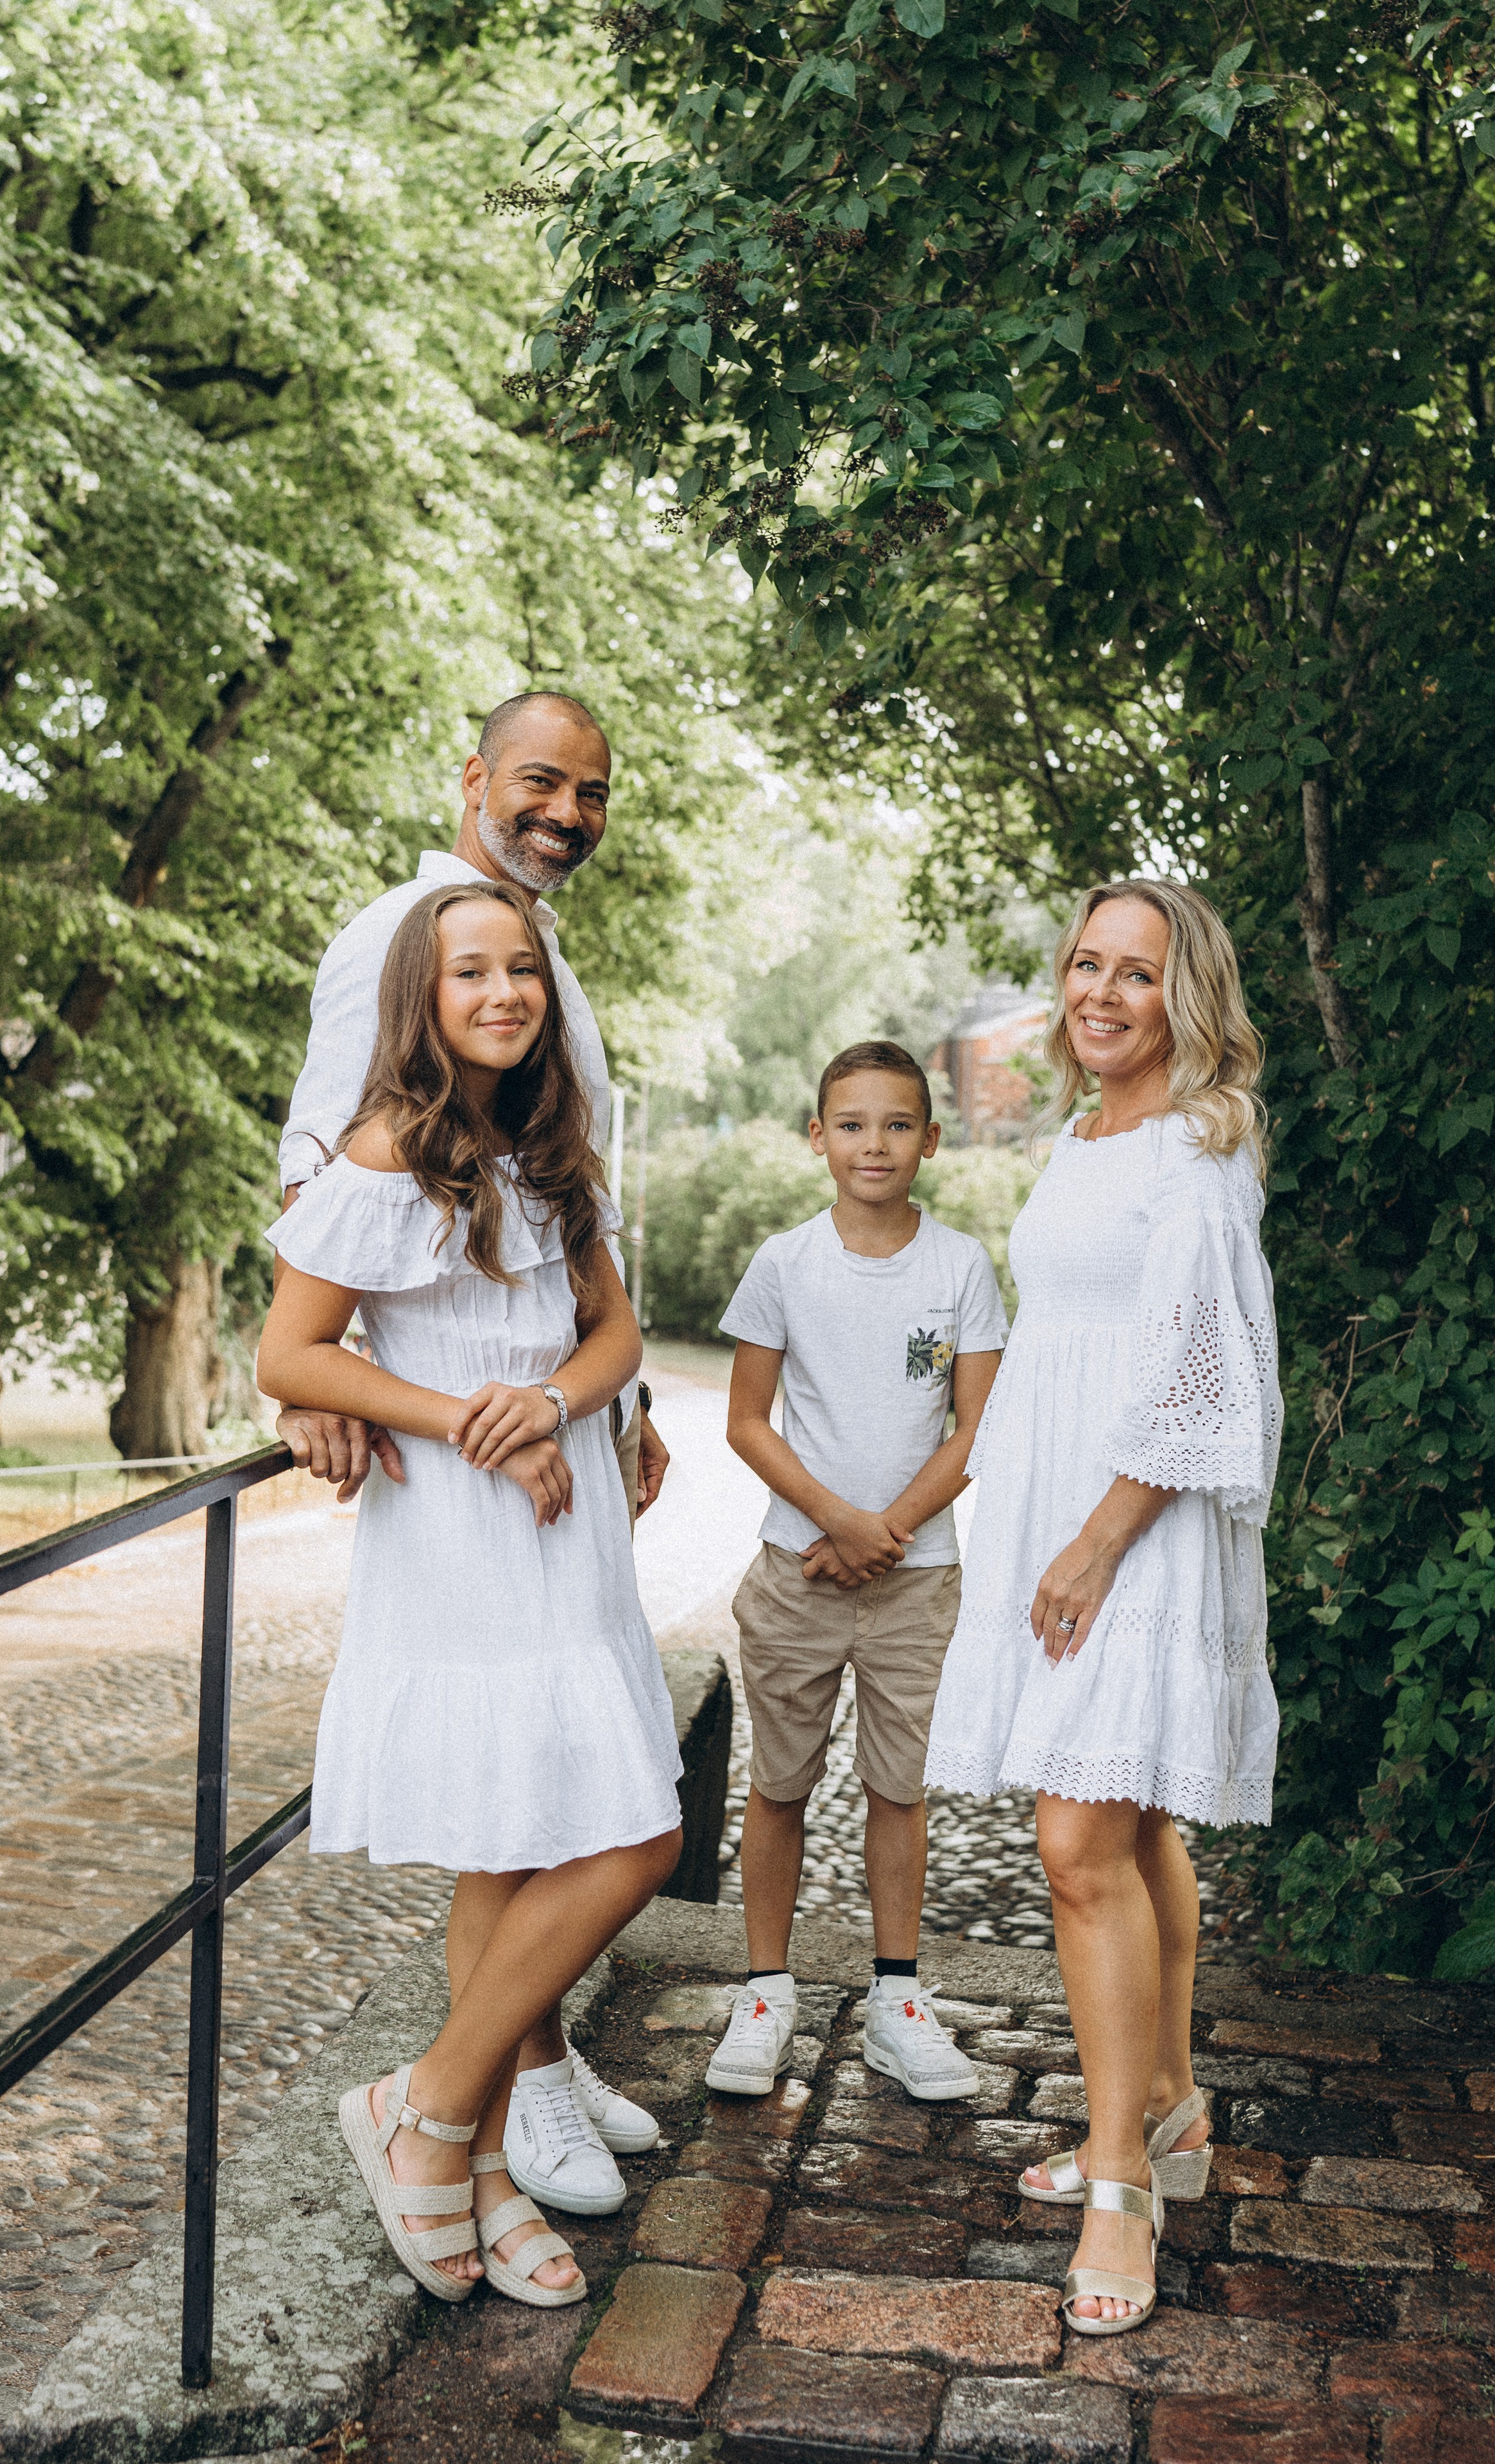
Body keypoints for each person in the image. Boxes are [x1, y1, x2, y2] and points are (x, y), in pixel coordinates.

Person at [257, 878, 684, 2306]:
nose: (503, 992)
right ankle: (451, 2131)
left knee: (543, 1845)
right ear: (421, 1001)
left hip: (568, 1529)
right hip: (454, 1530)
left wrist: (551, 1402)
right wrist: (470, 1424)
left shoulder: (549, 1147)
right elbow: (294, 1355)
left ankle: (451, 2134)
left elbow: (615, 1331)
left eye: (521, 971)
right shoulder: (387, 1152)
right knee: (606, 1838)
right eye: (469, 974)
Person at [924, 880, 1282, 2339]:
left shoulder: (1195, 1152)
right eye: (1084, 966)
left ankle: (1118, 2177)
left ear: (1181, 997)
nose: (1100, 993)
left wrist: (1090, 1542)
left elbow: (1207, 1379)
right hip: (1062, 1510)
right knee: (1130, 1825)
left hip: (1127, 1521)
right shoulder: (1083, 1133)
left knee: (1075, 1841)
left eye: (1135, 974)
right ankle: (1174, 2110)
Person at [275, 689, 669, 1521]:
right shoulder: (395, 936)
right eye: (542, 781)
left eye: (592, 793)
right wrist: (316, 1377)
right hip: (469, 1443)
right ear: (475, 779)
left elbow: (560, 1215)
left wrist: (630, 1405)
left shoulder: (536, 951)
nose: (568, 812)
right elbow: (317, 1165)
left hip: (576, 1411)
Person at [705, 1042, 1007, 2101]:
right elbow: (747, 1420)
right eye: (851, 1124)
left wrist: (888, 1530)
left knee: (899, 1789)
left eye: (896, 1125)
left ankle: (897, 1998)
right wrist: (836, 1520)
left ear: (930, 1139)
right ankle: (765, 1991)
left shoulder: (961, 1265)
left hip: (917, 1583)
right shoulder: (785, 1263)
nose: (872, 1144)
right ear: (818, 1137)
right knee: (779, 1785)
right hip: (800, 1574)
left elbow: (977, 1428)